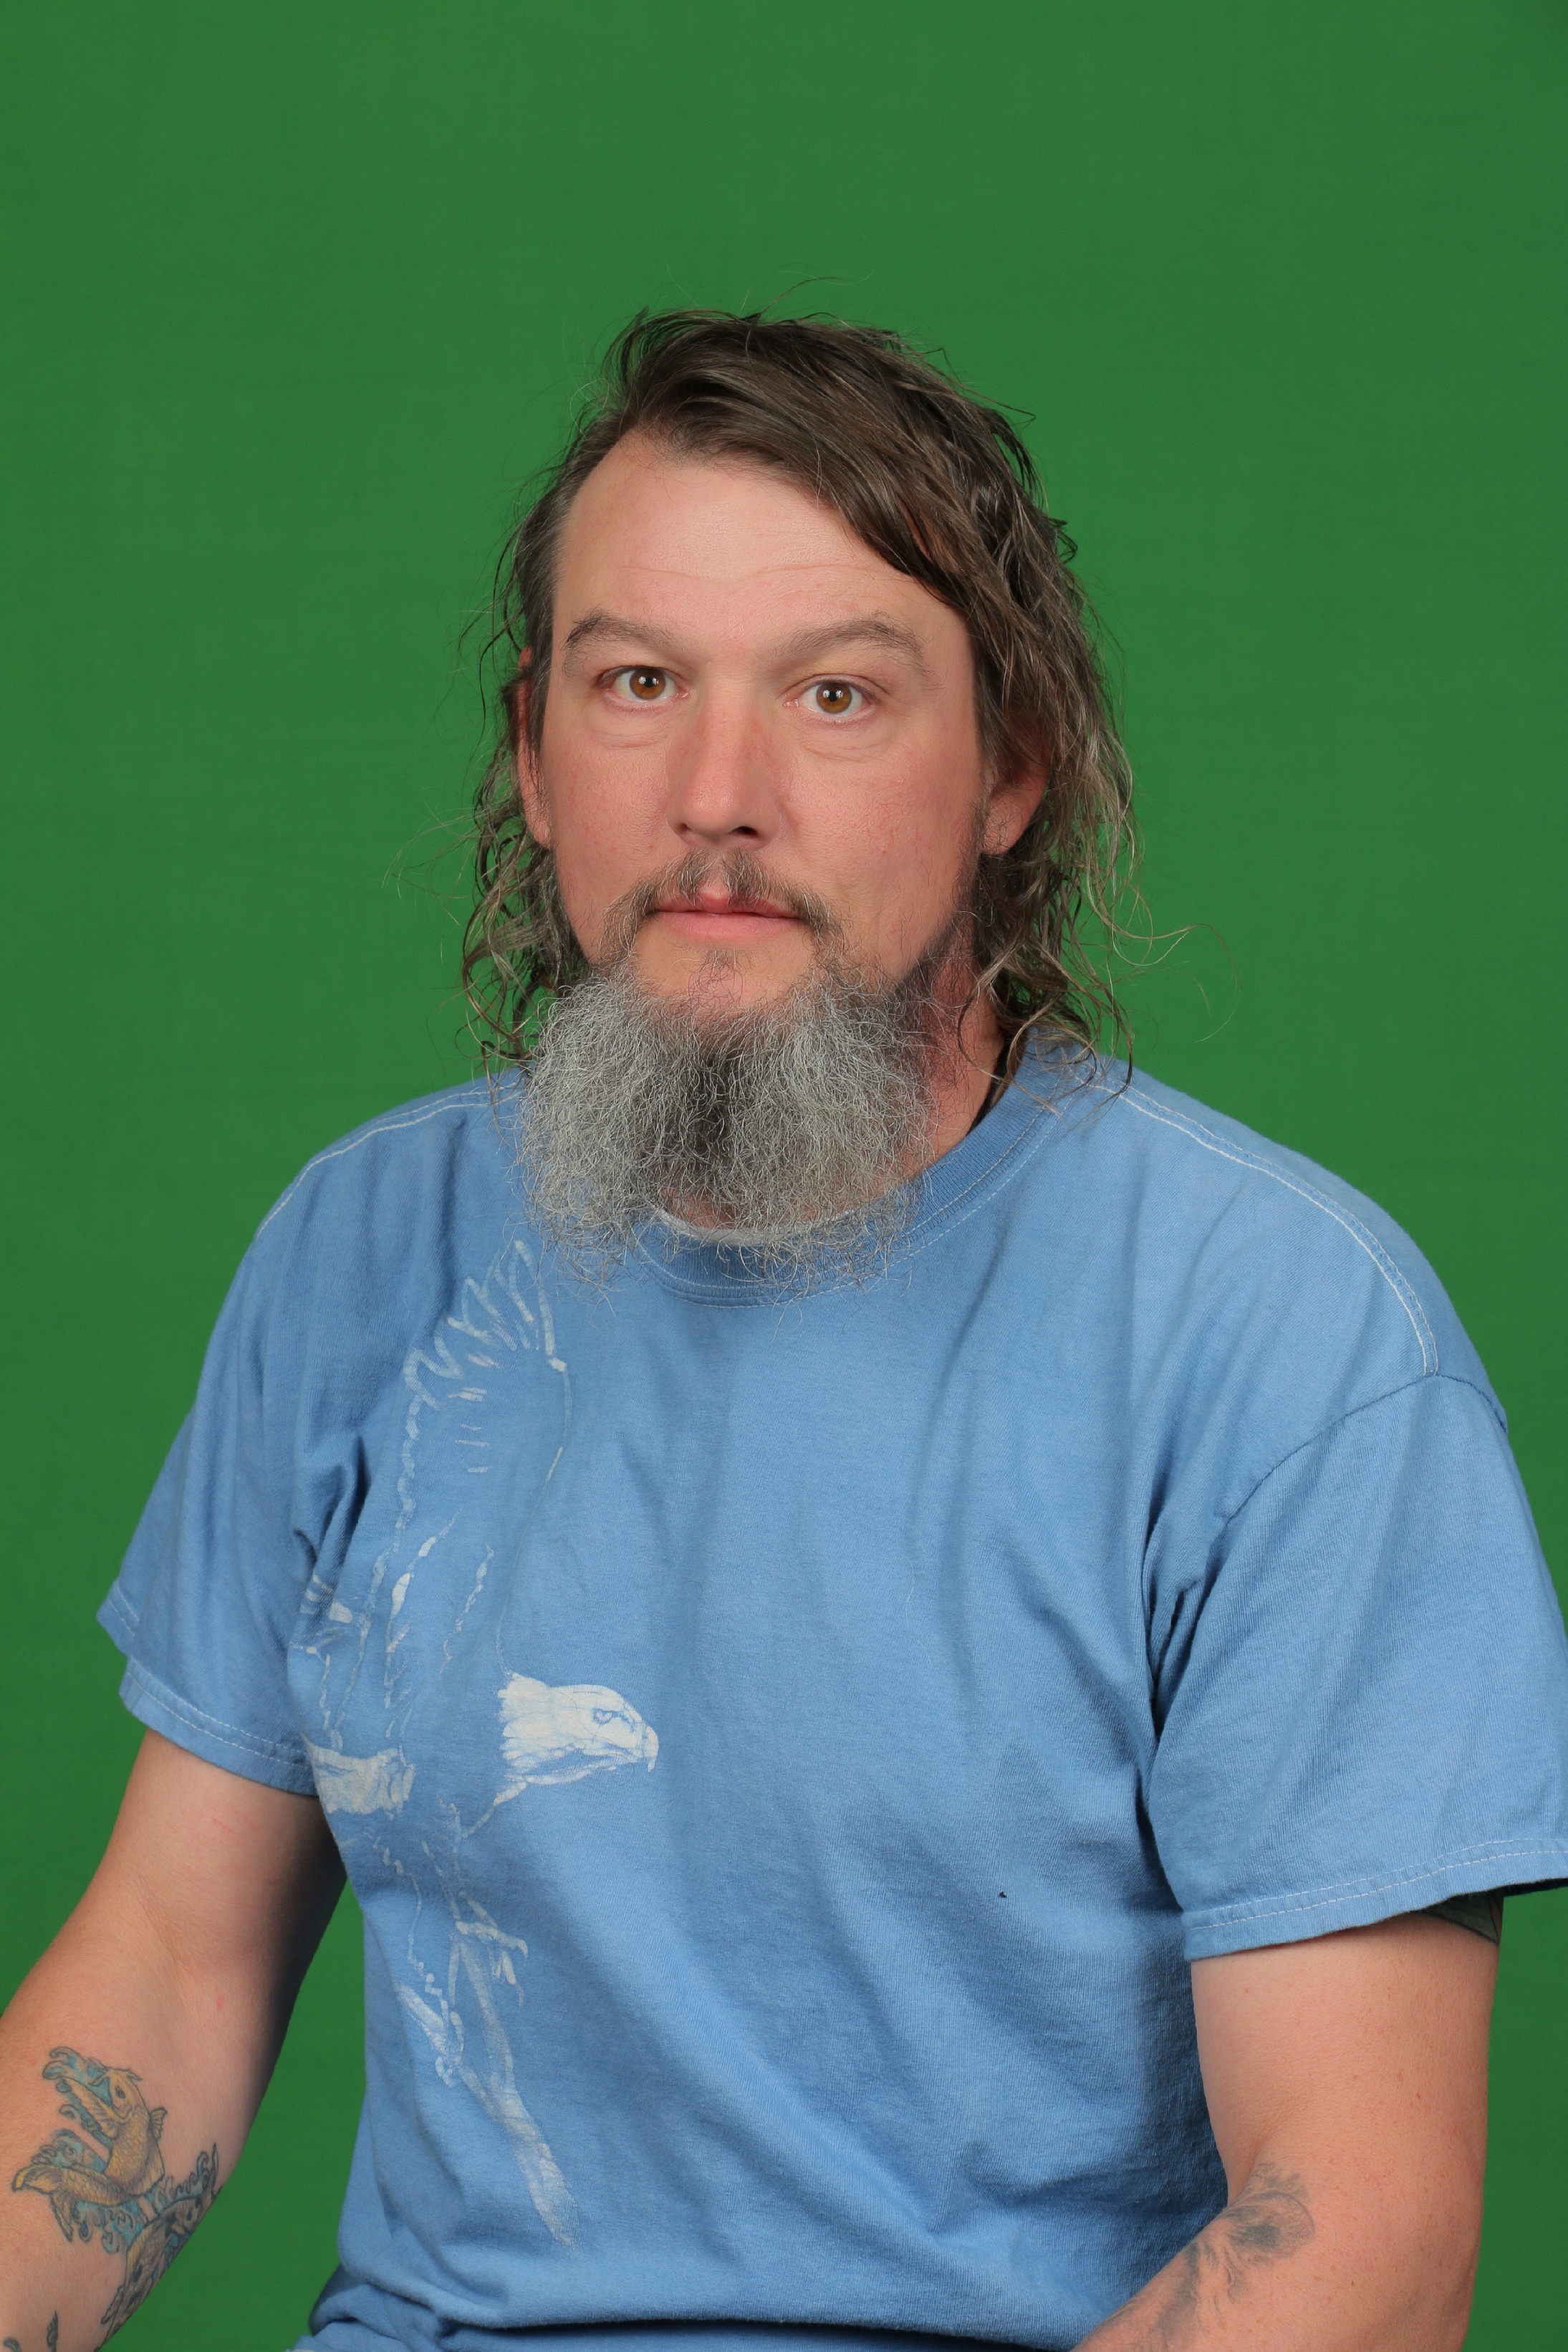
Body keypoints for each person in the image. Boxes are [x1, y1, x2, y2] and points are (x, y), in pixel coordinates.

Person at [2, 310, 1565, 2352]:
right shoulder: (363, 1251)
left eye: (837, 694)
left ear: (1010, 771)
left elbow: (1356, 2234)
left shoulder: (1281, 1342)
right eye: (637, 683)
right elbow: (168, 1979)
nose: (715, 795)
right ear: (534, 757)